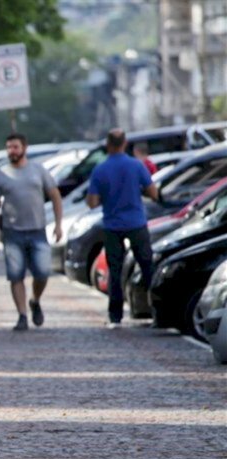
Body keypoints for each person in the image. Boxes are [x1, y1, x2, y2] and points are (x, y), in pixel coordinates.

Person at [0, 133, 63, 331]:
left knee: (42, 272)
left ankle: (35, 300)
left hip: (37, 230)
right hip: (12, 233)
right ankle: (22, 315)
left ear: (24, 148)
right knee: (15, 275)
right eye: (9, 147)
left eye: (15, 147)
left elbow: (55, 195)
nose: (12, 151)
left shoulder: (38, 170)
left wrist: (58, 224)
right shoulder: (1, 174)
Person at [86, 128, 158, 328]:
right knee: (146, 266)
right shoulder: (137, 166)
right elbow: (153, 192)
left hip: (112, 225)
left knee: (115, 271)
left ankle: (115, 316)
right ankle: (154, 310)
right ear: (125, 144)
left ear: (108, 145)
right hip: (136, 223)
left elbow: (92, 202)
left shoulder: (100, 169)